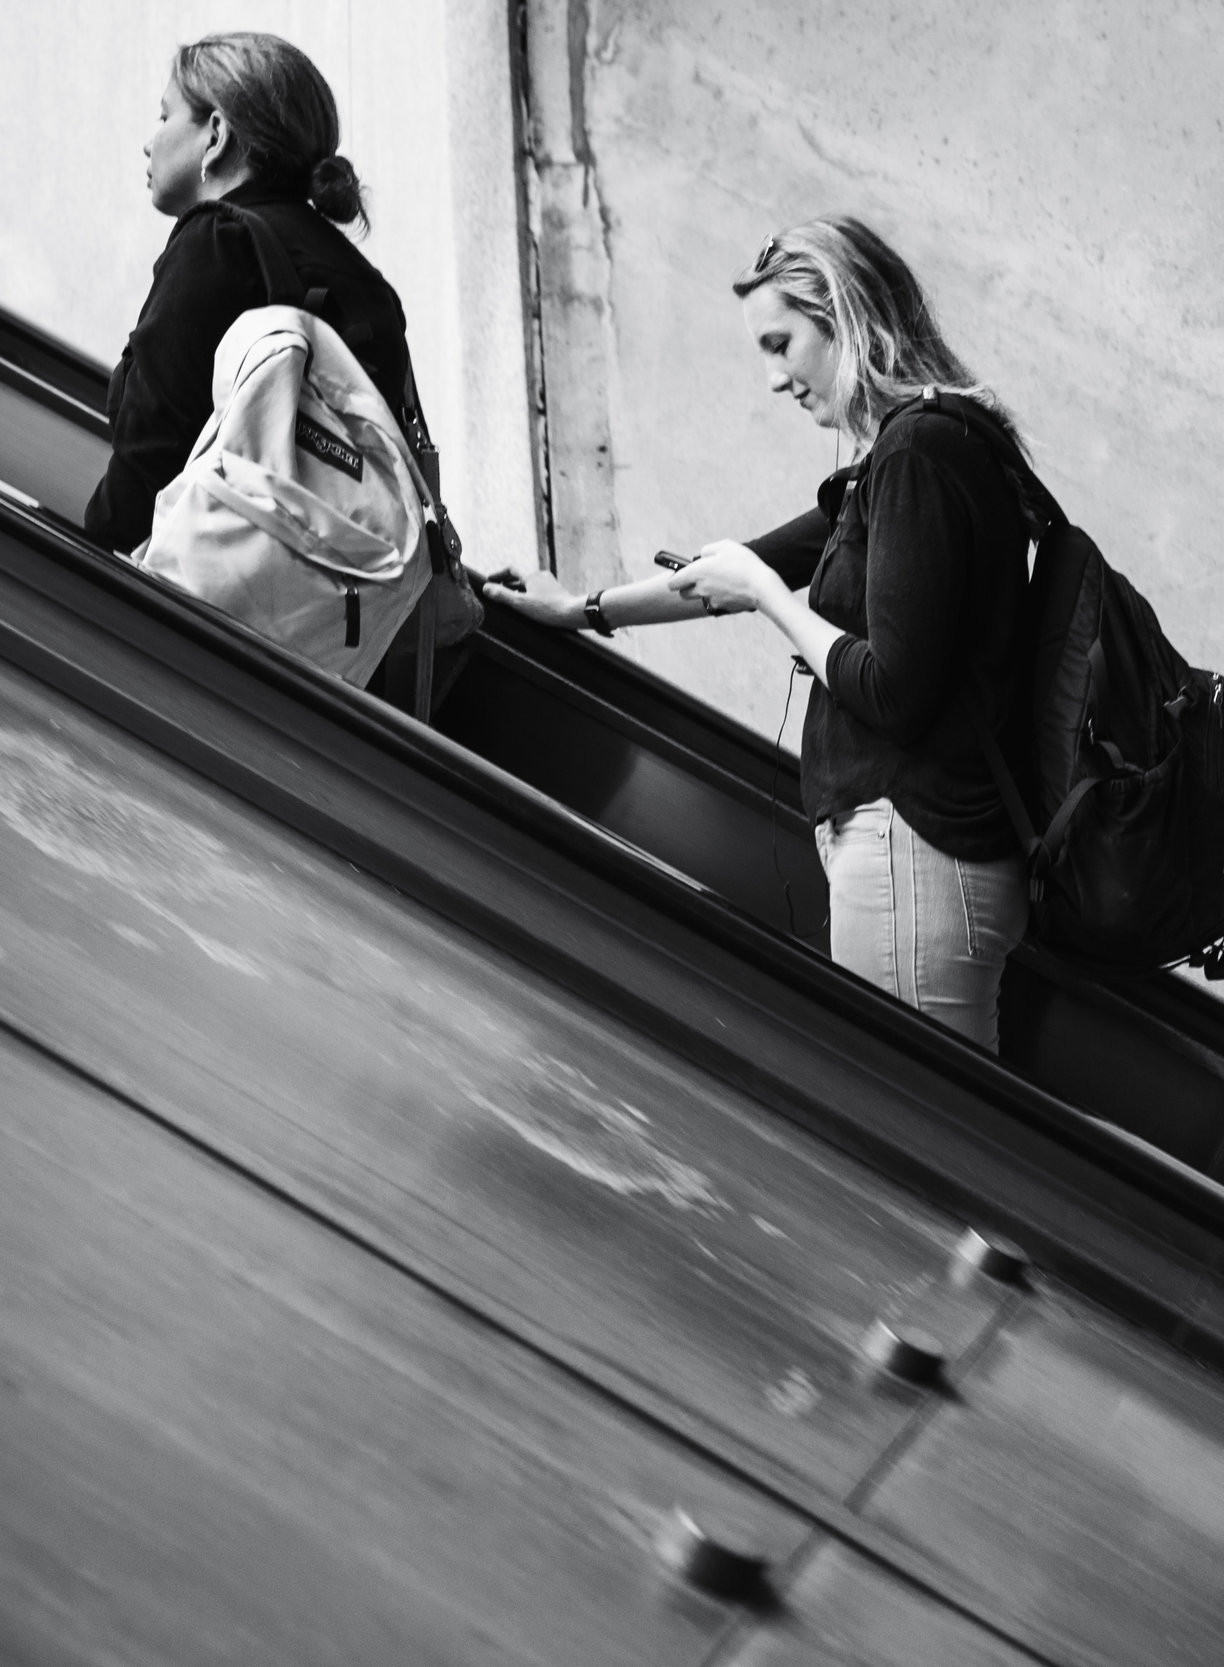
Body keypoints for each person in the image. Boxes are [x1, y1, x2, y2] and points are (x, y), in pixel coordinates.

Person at [488, 216, 1033, 1049]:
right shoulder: (905, 454)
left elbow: (891, 686)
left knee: (908, 1139)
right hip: (912, 859)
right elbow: (733, 570)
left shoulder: (922, 453)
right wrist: (582, 610)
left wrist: (774, 599)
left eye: (782, 344)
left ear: (845, 317)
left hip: (916, 855)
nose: (775, 379)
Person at [88, 33, 409, 557]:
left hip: (215, 599)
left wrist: (87, 566)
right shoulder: (365, 280)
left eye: (164, 116)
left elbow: (152, 450)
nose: (150, 141)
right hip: (333, 610)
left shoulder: (218, 241)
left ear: (215, 135)